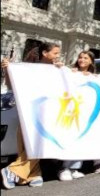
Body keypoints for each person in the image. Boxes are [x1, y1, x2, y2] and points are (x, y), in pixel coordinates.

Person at [1, 43, 62, 189]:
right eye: (55, 53)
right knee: (28, 143)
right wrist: (8, 69)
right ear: (45, 53)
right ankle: (23, 172)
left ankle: (24, 172)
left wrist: (64, 71)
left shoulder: (58, 68)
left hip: (48, 112)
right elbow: (11, 86)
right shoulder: (28, 68)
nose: (58, 56)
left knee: (40, 142)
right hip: (28, 111)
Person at [58, 51, 93, 181]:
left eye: (85, 58)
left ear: (91, 61)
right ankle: (64, 168)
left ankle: (75, 168)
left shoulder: (94, 76)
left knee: (81, 138)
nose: (81, 60)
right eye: (80, 57)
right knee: (70, 137)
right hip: (71, 111)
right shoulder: (71, 72)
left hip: (85, 112)